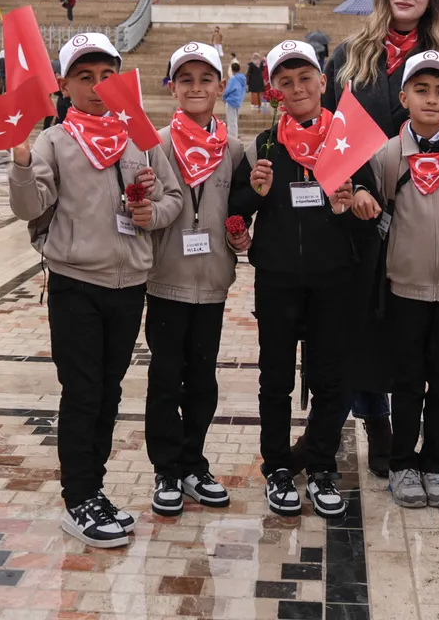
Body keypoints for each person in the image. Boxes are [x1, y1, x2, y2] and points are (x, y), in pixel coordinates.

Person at [9, 33, 183, 547]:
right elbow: (29, 205)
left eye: (106, 75)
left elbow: (171, 195)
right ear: (63, 84)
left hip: (129, 284)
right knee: (82, 392)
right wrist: (20, 164)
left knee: (108, 392)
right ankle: (77, 497)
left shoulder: (138, 137)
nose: (96, 86)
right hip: (76, 283)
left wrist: (155, 213)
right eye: (84, 77)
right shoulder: (54, 141)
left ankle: (95, 490)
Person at [320, 0, 439, 475]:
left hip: (420, 220)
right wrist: (347, 187)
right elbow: (326, 133)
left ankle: (412, 435)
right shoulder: (349, 56)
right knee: (364, 327)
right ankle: (376, 423)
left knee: (414, 333)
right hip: (360, 216)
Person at [228, 40, 371, 518]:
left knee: (333, 378)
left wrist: (348, 209)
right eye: (286, 82)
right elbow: (237, 209)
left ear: (322, 81)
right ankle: (278, 468)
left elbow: (368, 214)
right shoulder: (265, 146)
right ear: (275, 92)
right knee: (275, 378)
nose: (298, 88)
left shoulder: (347, 141)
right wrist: (253, 193)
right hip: (279, 278)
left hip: (334, 279)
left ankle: (322, 463)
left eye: (305, 78)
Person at [348, 52, 439, 508]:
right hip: (405, 286)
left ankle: (435, 462)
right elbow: (369, 205)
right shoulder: (389, 155)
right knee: (408, 379)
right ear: (404, 97)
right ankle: (402, 463)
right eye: (422, 90)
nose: (431, 99)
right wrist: (357, 197)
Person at [145, 43, 249, 519]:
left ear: (220, 86)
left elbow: (240, 209)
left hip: (211, 282)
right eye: (185, 79)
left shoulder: (233, 149)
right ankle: (166, 468)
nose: (196, 88)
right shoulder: (156, 144)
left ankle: (194, 462)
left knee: (202, 380)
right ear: (172, 88)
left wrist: (243, 235)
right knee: (166, 378)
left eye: (205, 79)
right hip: (166, 279)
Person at [223, 61, 246, 137]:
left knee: (231, 121)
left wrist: (224, 97)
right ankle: (234, 135)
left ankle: (232, 137)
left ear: (232, 70)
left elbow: (228, 90)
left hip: (231, 101)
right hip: (238, 101)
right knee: (234, 120)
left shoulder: (233, 79)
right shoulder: (243, 79)